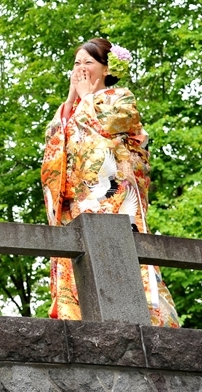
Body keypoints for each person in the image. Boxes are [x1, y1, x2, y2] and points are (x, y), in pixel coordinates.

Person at [41, 37, 179, 327]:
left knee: (120, 254)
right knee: (79, 254)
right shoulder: (69, 108)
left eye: (88, 62)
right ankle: (76, 316)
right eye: (76, 63)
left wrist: (87, 98)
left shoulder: (121, 97)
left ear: (106, 68)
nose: (81, 69)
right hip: (78, 200)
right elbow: (54, 146)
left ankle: (142, 318)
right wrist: (70, 99)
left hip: (112, 197)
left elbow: (111, 128)